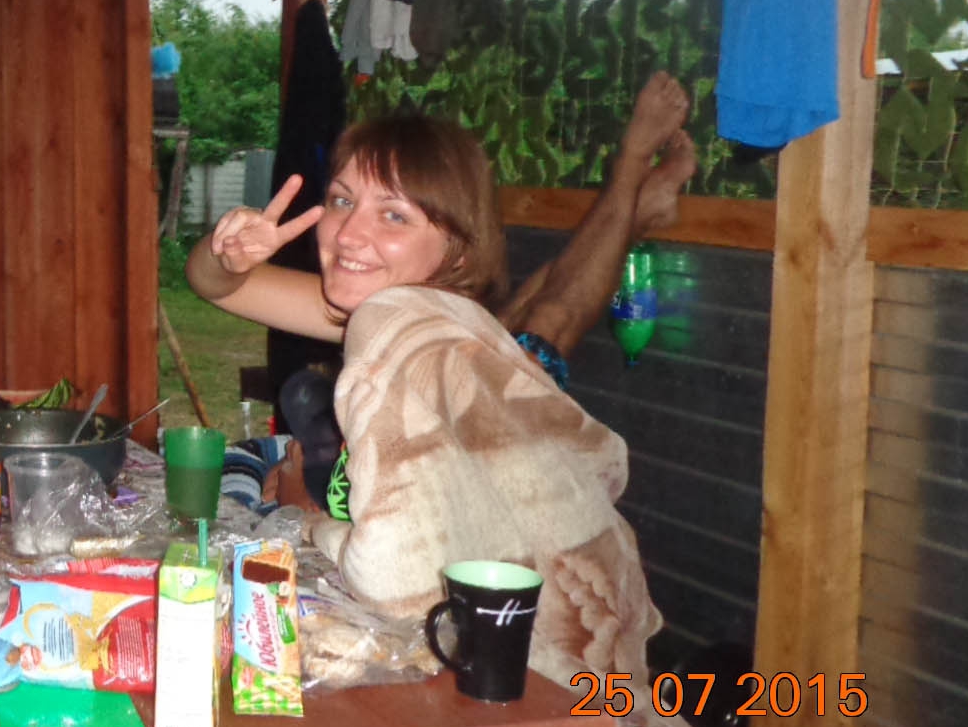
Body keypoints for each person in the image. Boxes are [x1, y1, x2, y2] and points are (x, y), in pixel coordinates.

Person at [186, 77, 697, 690]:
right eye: (343, 200)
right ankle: (634, 212)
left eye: (393, 214)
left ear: (457, 247)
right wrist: (227, 254)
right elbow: (214, 285)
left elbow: (397, 575)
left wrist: (303, 513)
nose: (347, 234)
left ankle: (631, 173)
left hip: (530, 659)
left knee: (550, 323)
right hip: (467, 323)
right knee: (527, 318)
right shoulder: (377, 309)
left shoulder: (402, 332)